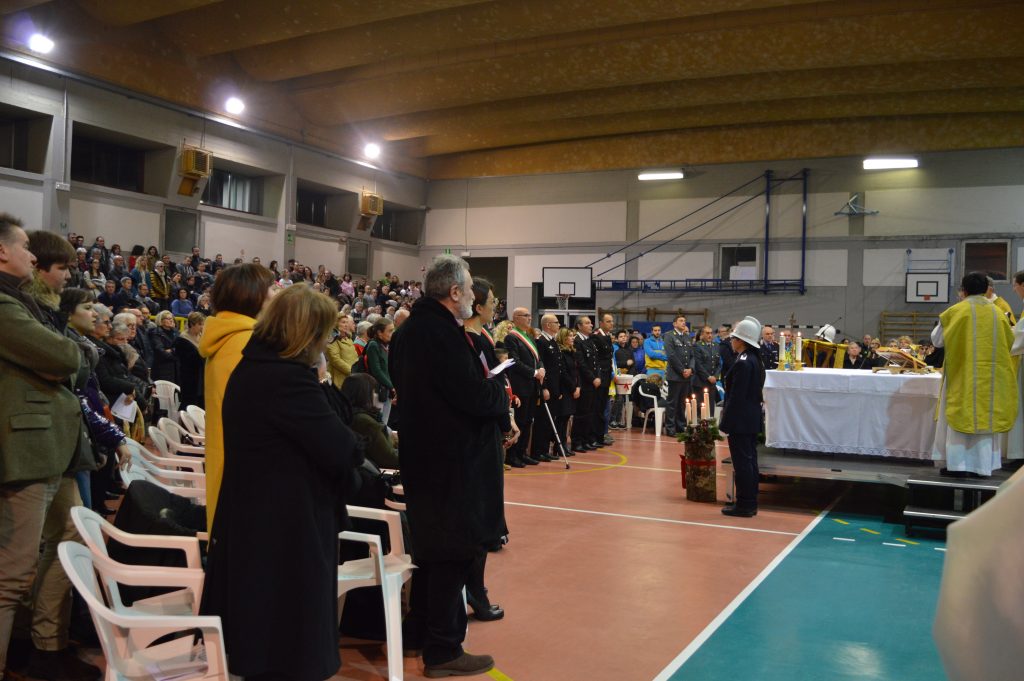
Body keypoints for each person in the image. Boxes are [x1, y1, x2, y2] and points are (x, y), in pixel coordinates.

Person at [200, 281, 357, 681]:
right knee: (287, 644)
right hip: (286, 526)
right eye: (323, 334)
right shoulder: (286, 380)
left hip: (260, 518)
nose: (325, 343)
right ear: (307, 334)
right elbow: (343, 447)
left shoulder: (253, 367)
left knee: (264, 637)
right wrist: (322, 380)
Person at [388, 254, 509, 678]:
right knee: (452, 553)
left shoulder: (409, 331)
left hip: (426, 456)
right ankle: (443, 650)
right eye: (470, 288)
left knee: (432, 552)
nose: (474, 295)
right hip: (451, 463)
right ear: (454, 291)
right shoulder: (441, 334)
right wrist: (499, 392)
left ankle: (419, 632)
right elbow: (472, 395)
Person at [0, 215, 102, 680]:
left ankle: (41, 643)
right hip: (28, 447)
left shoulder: (23, 302)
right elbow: (65, 356)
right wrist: (68, 359)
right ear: (3, 252)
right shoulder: (6, 305)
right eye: (25, 247)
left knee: (64, 540)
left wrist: (67, 360)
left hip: (50, 448)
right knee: (11, 573)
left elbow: (67, 363)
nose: (32, 255)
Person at [199, 263, 276, 531]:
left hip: (232, 465)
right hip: (247, 474)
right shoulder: (247, 344)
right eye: (271, 288)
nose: (275, 294)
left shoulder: (229, 337)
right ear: (253, 294)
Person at [931, 272, 1017, 477]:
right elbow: (1010, 342)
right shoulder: (998, 313)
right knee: (986, 420)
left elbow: (937, 341)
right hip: (990, 379)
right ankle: (982, 467)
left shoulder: (955, 311)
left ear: (963, 290)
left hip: (961, 377)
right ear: (986, 289)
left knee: (958, 417)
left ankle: (958, 466)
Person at [718, 316, 766, 517]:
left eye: (734, 338)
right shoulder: (754, 359)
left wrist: (725, 423)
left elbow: (736, 397)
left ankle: (745, 504)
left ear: (742, 341)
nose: (731, 341)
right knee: (749, 461)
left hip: (740, 420)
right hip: (750, 418)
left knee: (742, 463)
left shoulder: (744, 363)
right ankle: (749, 501)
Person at [504, 307, 545, 465]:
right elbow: (514, 362)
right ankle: (512, 455)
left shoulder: (529, 336)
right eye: (526, 315)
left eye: (529, 315)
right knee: (520, 420)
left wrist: (541, 368)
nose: (529, 318)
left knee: (528, 421)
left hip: (532, 386)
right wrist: (534, 372)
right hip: (520, 385)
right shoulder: (511, 338)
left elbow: (538, 358)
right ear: (516, 318)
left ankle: (522, 453)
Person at [340, 374, 399, 470]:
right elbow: (390, 458)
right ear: (365, 395)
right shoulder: (366, 422)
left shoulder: (346, 415)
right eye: (374, 391)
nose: (377, 395)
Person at [531, 313, 563, 462]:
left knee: (550, 421)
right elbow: (541, 366)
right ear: (548, 325)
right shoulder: (541, 342)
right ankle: (537, 451)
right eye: (556, 322)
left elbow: (557, 368)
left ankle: (544, 449)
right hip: (547, 388)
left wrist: (558, 389)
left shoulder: (553, 342)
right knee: (542, 421)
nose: (559, 325)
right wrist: (543, 387)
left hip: (555, 387)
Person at [572, 316, 601, 451]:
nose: (591, 325)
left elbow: (596, 362)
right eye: (587, 323)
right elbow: (581, 364)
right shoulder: (577, 341)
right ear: (579, 326)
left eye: (591, 323)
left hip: (593, 382)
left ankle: (586, 439)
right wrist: (592, 378)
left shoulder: (589, 341)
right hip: (584, 382)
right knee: (581, 413)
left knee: (590, 413)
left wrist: (598, 376)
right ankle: (577, 441)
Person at [664, 315, 694, 435]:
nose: (683, 323)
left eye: (684, 321)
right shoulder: (669, 336)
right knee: (672, 403)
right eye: (681, 321)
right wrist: (682, 370)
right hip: (675, 375)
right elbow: (671, 355)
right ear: (674, 324)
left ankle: (680, 427)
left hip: (686, 375)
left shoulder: (687, 337)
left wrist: (690, 369)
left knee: (682, 403)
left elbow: (692, 355)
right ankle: (670, 428)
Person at [364, 318, 395, 425]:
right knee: (378, 423)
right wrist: (391, 386)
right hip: (377, 390)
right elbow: (376, 370)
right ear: (379, 333)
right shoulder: (373, 345)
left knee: (384, 423)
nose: (392, 333)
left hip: (387, 390)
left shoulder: (386, 345)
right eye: (390, 331)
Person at [173, 312, 205, 409]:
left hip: (201, 376)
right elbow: (189, 359)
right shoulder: (182, 340)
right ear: (192, 324)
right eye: (200, 324)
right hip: (189, 378)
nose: (202, 327)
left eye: (203, 324)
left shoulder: (202, 336)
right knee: (189, 403)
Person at [556, 328, 579, 449]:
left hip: (572, 388)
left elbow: (576, 371)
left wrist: (578, 386)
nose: (572, 338)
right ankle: (559, 446)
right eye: (570, 336)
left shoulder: (572, 352)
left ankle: (564, 444)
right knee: (562, 418)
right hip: (565, 389)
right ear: (563, 338)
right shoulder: (561, 353)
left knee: (566, 417)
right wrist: (573, 388)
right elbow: (563, 373)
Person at [693, 325, 720, 418]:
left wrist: (715, 376)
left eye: (711, 333)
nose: (710, 335)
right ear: (702, 334)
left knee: (711, 407)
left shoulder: (716, 345)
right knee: (701, 408)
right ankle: (700, 426)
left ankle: (710, 425)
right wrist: (708, 377)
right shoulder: (697, 346)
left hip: (712, 382)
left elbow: (719, 364)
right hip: (700, 382)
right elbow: (698, 364)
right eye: (707, 333)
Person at [326, 313, 357, 389]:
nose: (346, 325)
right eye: (343, 322)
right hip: (339, 378)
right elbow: (335, 359)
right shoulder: (332, 338)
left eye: (347, 322)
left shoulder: (348, 337)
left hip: (353, 376)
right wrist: (352, 371)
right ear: (336, 324)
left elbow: (355, 356)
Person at [148, 310, 179, 383]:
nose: (171, 320)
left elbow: (182, 348)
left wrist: (171, 350)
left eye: (172, 318)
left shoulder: (175, 332)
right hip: (162, 369)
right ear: (161, 321)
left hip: (176, 368)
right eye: (168, 318)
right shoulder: (155, 333)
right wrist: (176, 355)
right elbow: (161, 352)